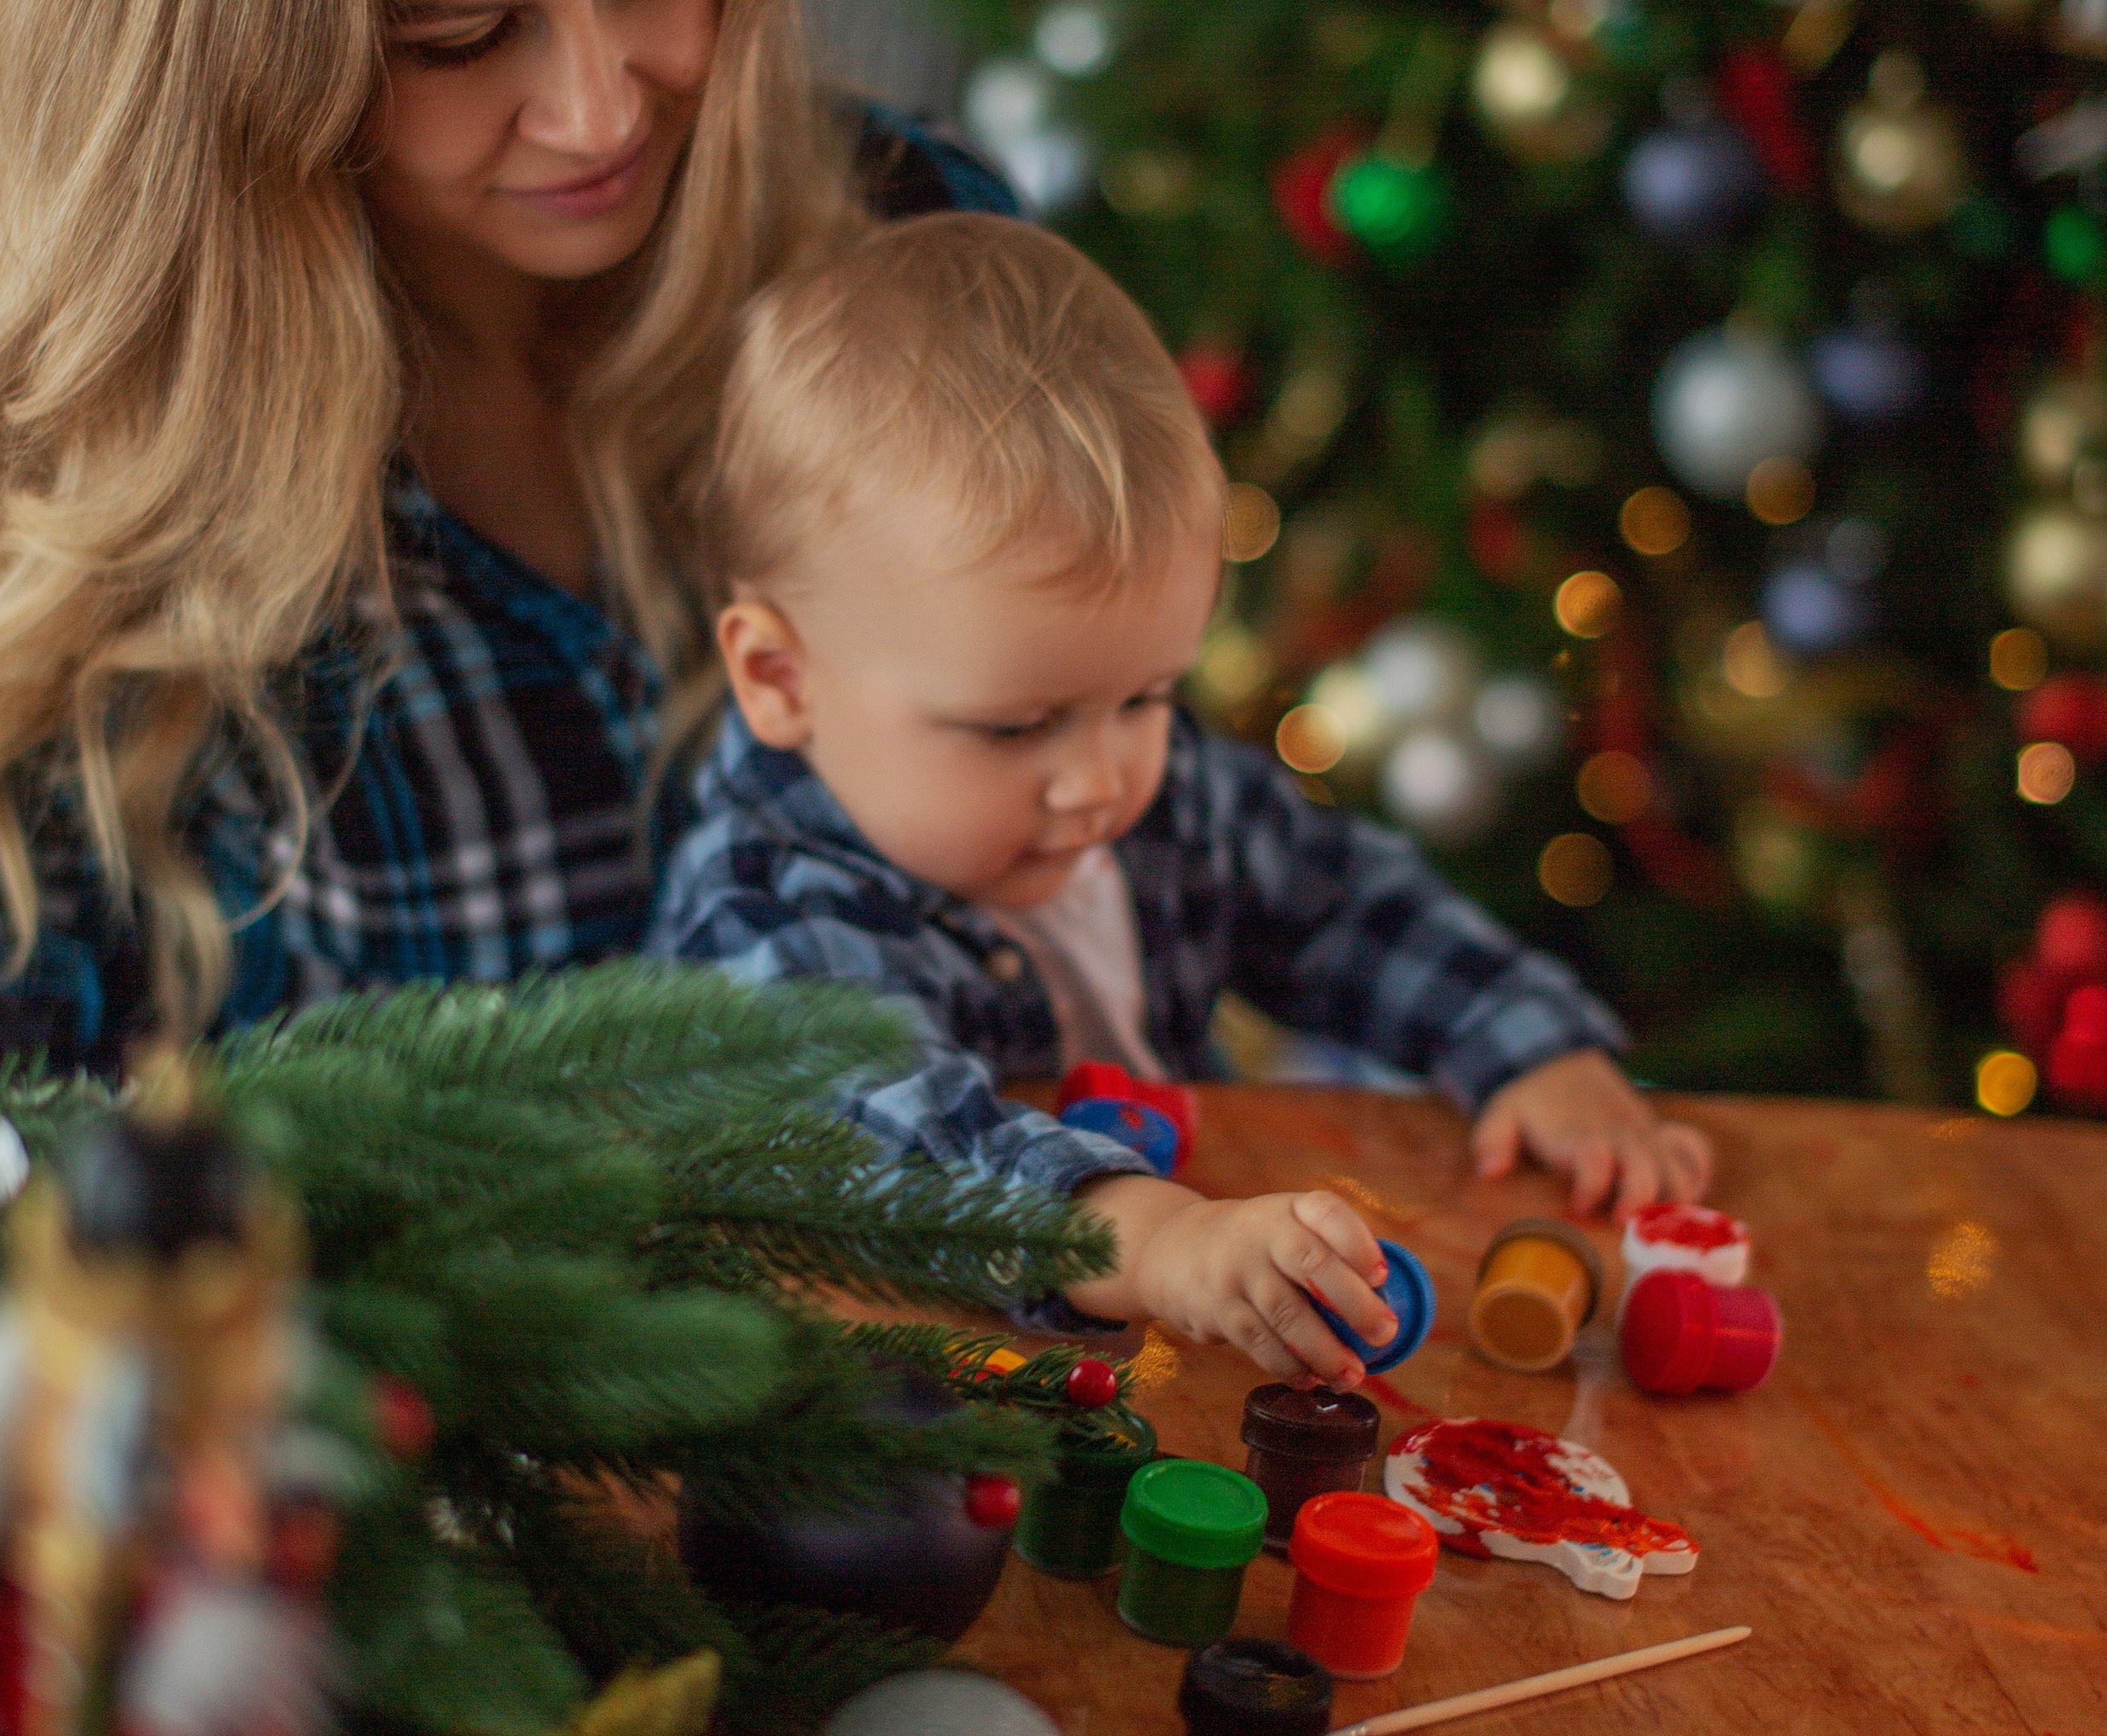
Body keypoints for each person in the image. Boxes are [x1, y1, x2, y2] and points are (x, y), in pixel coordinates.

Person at [0, 0, 1005, 1073]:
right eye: (456, 40)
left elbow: (1160, 830)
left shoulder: (912, 256)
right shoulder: (35, 492)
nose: (594, 115)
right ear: (235, 52)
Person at [652, 215, 1714, 1390]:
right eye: (1015, 725)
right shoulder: (764, 906)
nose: (1102, 777)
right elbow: (885, 1150)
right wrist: (1156, 1238)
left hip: (1162, 1382)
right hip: (908, 1427)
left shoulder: (1160, 801)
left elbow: (1346, 903)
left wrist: (1529, 1049)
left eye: (1146, 696)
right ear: (779, 679)